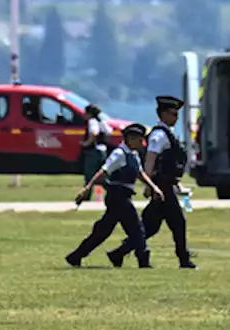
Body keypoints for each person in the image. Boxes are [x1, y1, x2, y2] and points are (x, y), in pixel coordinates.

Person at [108, 95, 197, 269]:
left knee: (150, 227)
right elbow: (151, 159)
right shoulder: (159, 135)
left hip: (165, 185)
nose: (176, 117)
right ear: (162, 114)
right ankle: (184, 260)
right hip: (161, 186)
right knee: (178, 222)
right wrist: (150, 185)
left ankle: (119, 253)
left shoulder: (167, 134)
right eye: (172, 114)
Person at [65, 123, 164, 269]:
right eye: (139, 140)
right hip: (118, 197)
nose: (142, 143)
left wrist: (153, 187)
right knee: (137, 229)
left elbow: (140, 173)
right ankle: (143, 261)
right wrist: (87, 188)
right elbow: (103, 172)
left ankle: (76, 256)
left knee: (103, 231)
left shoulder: (133, 155)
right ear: (130, 139)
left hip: (122, 197)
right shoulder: (119, 154)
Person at [78, 104, 112, 202]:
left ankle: (86, 196)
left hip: (93, 151)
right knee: (103, 175)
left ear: (89, 114)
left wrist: (86, 143)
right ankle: (113, 191)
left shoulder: (92, 121)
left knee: (89, 175)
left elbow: (94, 133)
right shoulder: (102, 122)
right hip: (103, 151)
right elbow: (109, 132)